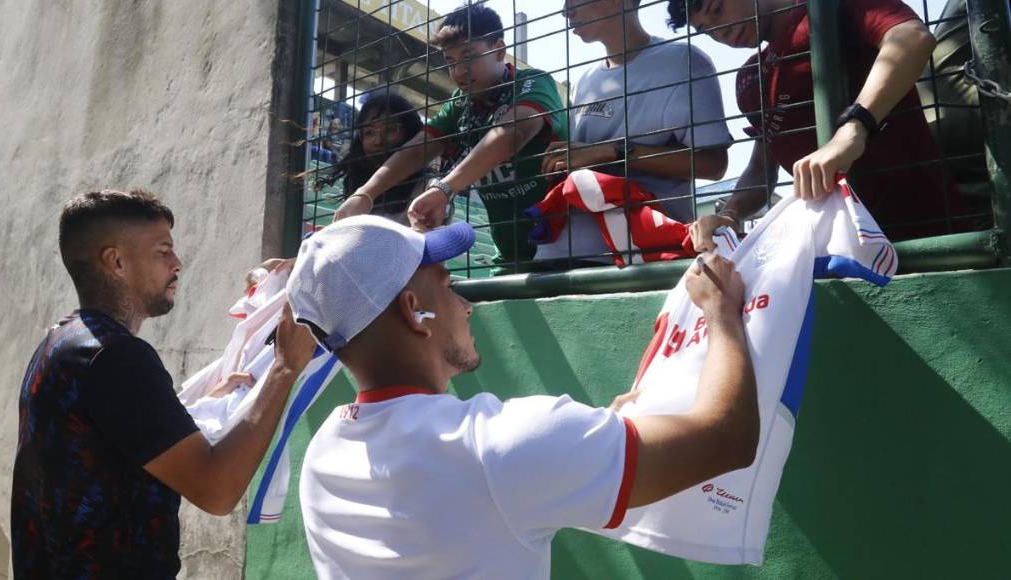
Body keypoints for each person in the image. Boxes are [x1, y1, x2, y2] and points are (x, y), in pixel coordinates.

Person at [292, 215, 759, 579]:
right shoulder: (497, 445)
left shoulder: (321, 454)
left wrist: (593, 436)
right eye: (449, 287)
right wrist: (720, 310)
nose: (467, 306)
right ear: (416, 312)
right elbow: (728, 438)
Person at [11, 189, 316, 579]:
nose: (178, 263)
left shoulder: (62, 341)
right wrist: (284, 370)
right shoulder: (117, 357)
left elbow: (112, 444)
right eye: (163, 251)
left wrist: (190, 407)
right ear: (116, 261)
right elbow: (217, 490)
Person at [678, 0, 990, 250]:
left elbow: (911, 36)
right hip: (836, 251)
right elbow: (761, 168)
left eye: (718, 9)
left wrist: (854, 127)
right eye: (708, 31)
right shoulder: (749, 79)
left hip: (927, 233)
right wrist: (729, 214)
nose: (722, 32)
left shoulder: (832, 7)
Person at [334, 3, 569, 273]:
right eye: (450, 62)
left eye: (468, 57)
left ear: (500, 50)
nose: (459, 72)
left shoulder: (533, 82)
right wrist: (365, 194)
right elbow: (417, 150)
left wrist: (444, 188)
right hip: (509, 256)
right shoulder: (459, 104)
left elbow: (511, 134)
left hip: (563, 246)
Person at [537, 0, 732, 265]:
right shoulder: (584, 80)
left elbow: (714, 164)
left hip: (640, 257)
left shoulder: (682, 61)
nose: (566, 10)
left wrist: (612, 152)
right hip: (558, 252)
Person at [319, 92, 427, 224]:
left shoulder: (426, 186)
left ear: (410, 133)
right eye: (369, 133)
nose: (378, 141)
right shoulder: (356, 180)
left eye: (390, 130)